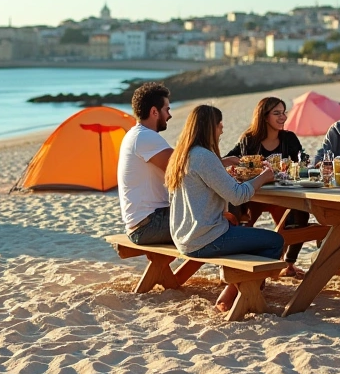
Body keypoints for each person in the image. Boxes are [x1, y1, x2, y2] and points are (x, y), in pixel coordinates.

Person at [166, 104, 282, 313]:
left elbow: (201, 180)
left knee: (248, 235)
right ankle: (237, 292)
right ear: (210, 127)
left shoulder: (182, 155)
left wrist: (222, 163)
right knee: (275, 241)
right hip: (204, 239)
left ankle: (243, 287)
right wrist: (264, 176)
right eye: (219, 125)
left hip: (184, 235)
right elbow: (238, 196)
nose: (222, 130)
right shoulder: (204, 156)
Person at [225, 96, 308, 278]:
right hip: (254, 196)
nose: (283, 117)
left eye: (283, 112)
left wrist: (304, 164)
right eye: (276, 113)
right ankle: (240, 267)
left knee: (301, 215)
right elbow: (227, 159)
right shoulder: (249, 140)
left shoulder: (289, 139)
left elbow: (303, 161)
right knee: (239, 221)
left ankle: (288, 264)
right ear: (264, 117)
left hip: (283, 196)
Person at [116, 82, 175, 245]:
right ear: (154, 111)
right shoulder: (144, 137)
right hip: (149, 225)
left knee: (214, 213)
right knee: (216, 217)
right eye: (167, 110)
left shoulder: (136, 135)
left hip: (145, 222)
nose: (170, 115)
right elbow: (184, 168)